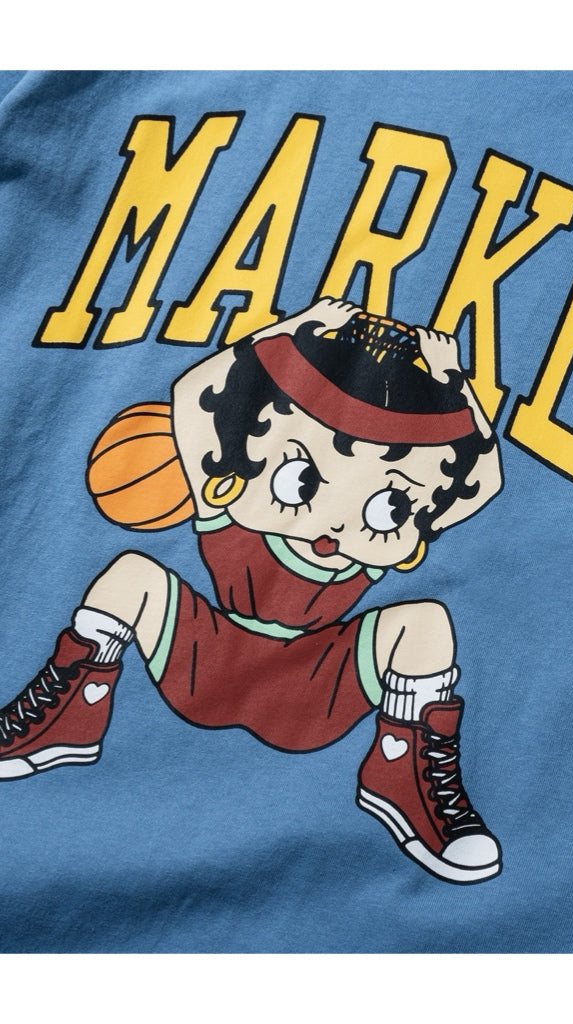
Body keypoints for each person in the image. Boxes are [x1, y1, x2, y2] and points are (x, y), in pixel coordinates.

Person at [0, 297, 504, 884]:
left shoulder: (361, 556)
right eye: (299, 478)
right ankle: (73, 712)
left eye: (390, 507)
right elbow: (193, 399)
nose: (335, 525)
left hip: (315, 690)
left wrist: (453, 382)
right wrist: (295, 330)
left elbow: (479, 480)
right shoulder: (229, 510)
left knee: (425, 622)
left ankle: (400, 765)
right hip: (205, 659)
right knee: (133, 573)